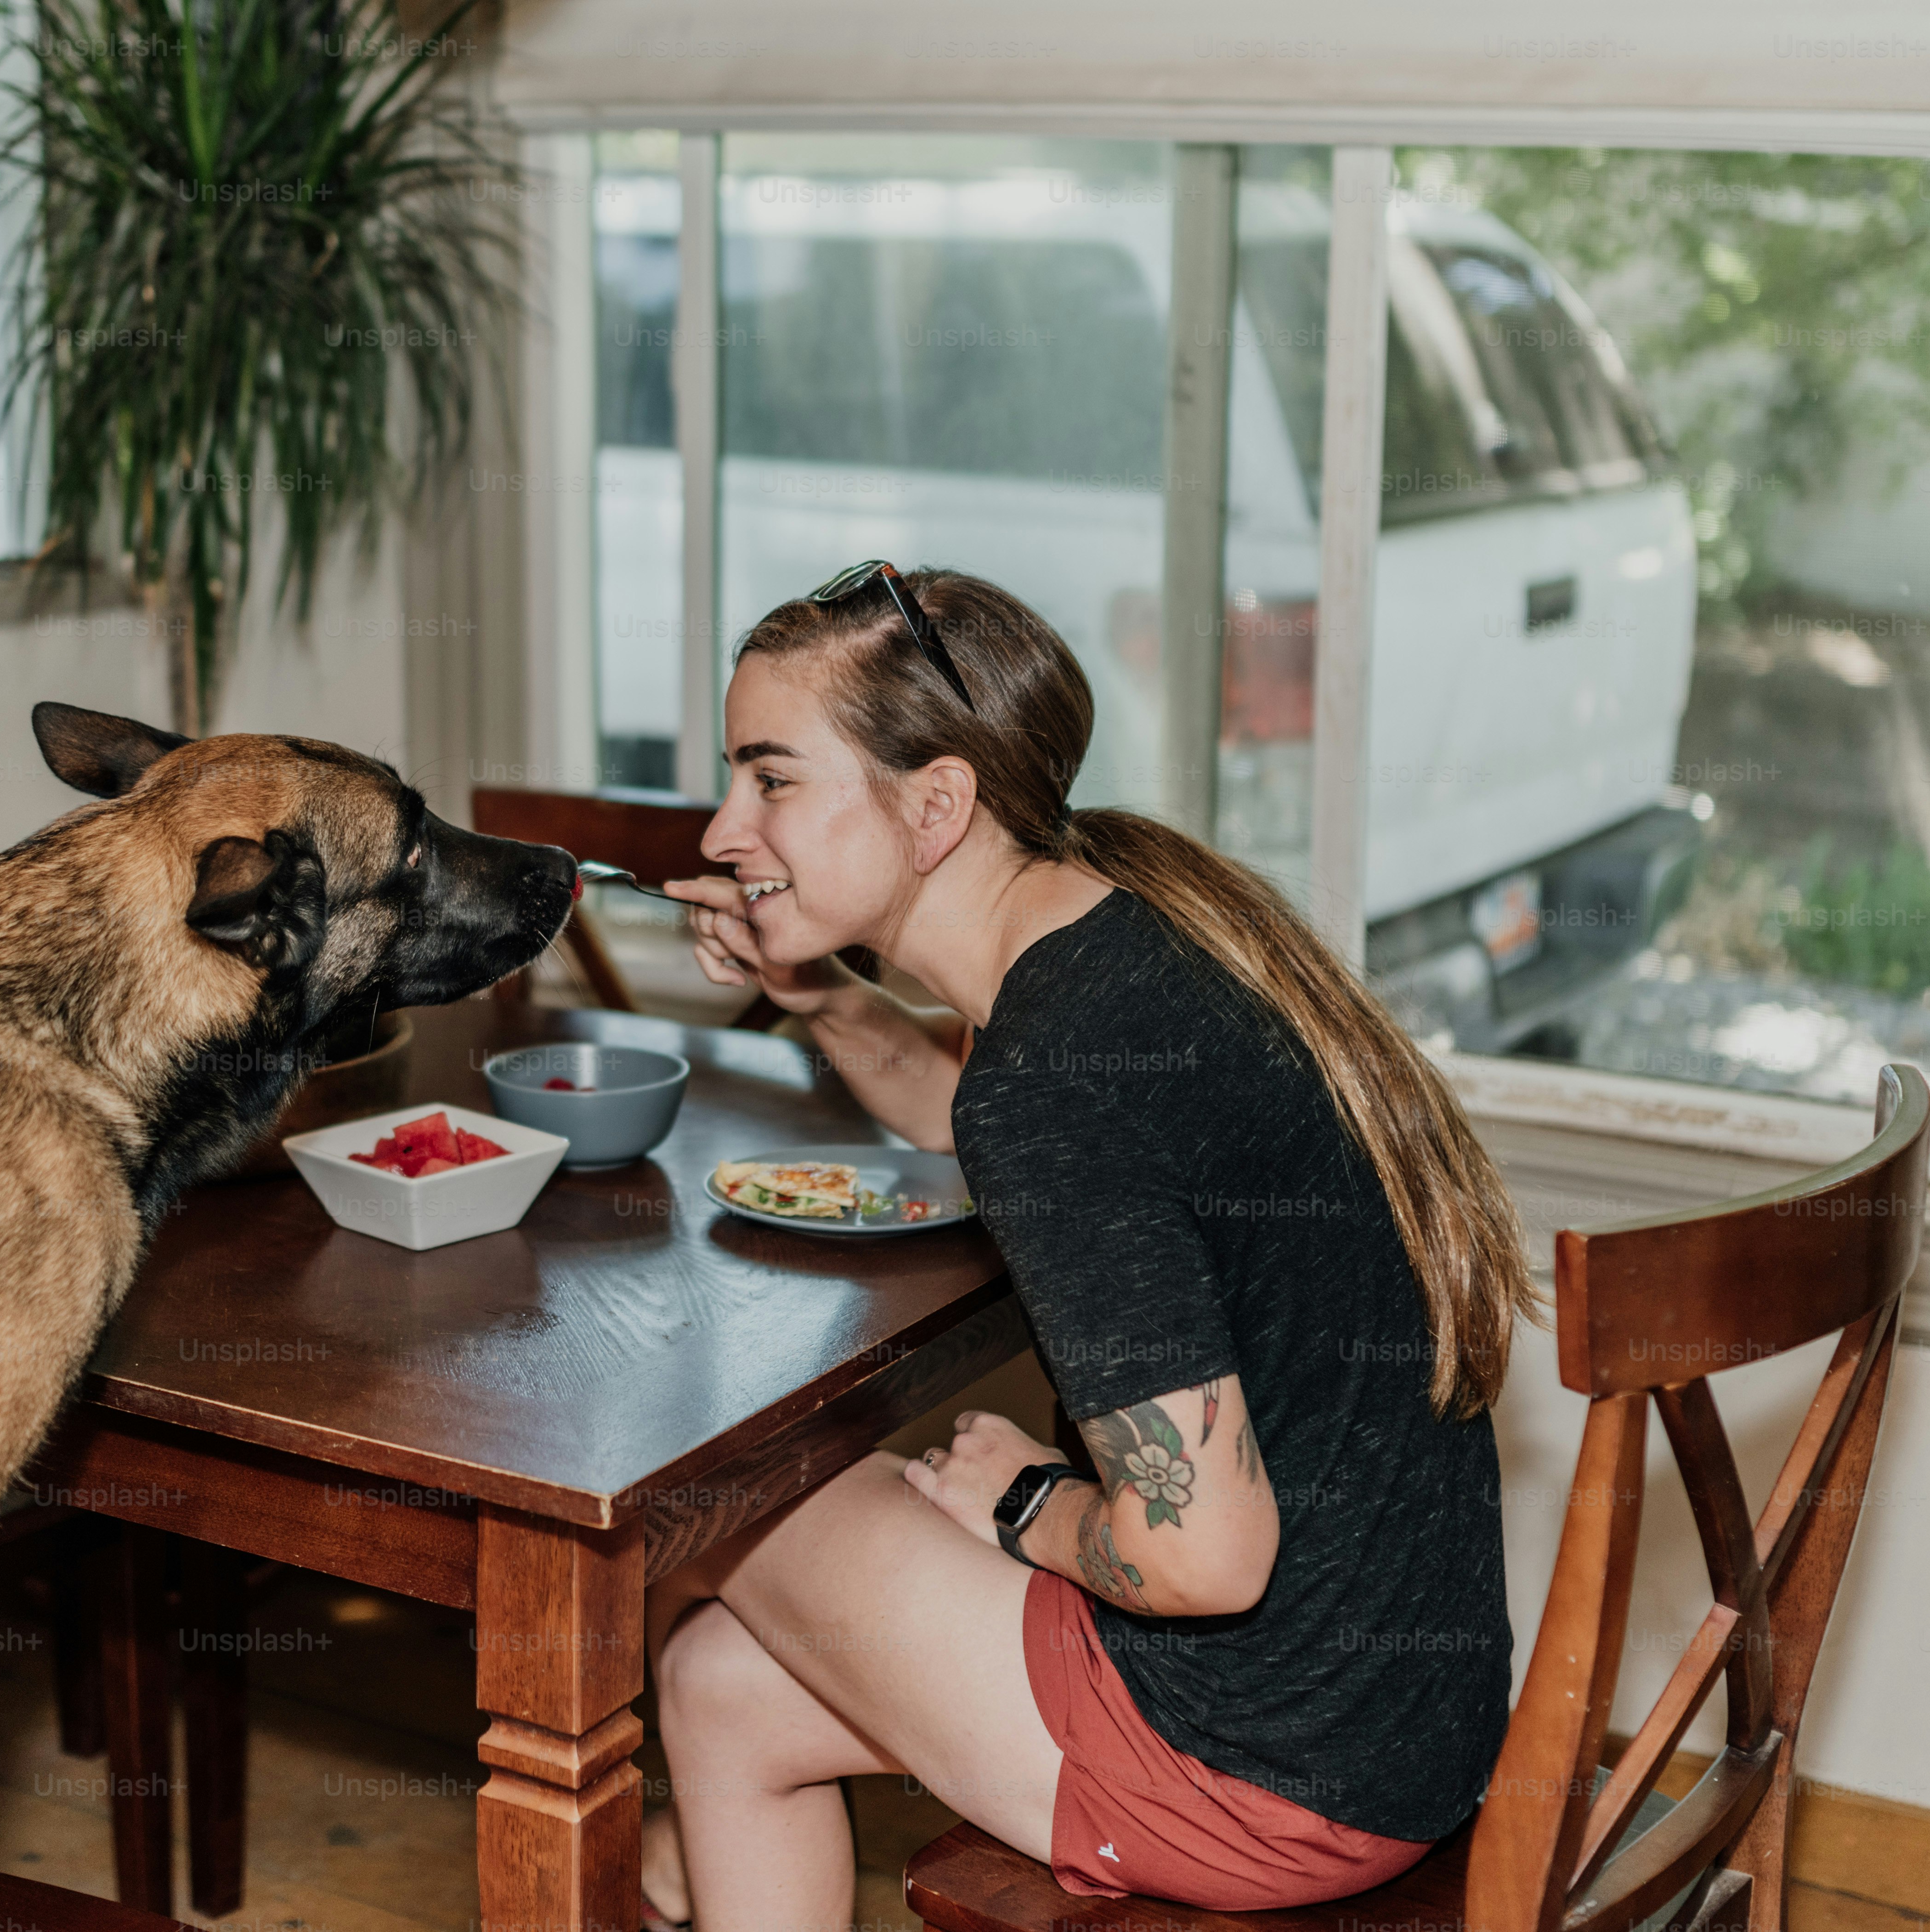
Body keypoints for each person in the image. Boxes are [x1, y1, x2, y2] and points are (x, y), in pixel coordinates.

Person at [639, 565, 1530, 1932]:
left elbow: (1202, 1561)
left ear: (935, 806)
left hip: (1255, 1764)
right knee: (721, 1687)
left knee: (683, 1490)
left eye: (771, 780)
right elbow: (982, 1114)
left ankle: (622, 1862)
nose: (723, 828)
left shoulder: (1055, 1079)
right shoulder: (1118, 931)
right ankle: (681, 1863)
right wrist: (811, 991)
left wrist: (1024, 1503)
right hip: (1404, 1722)